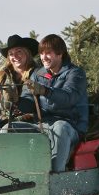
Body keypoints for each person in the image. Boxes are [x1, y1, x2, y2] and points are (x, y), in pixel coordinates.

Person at [24, 34, 89, 172]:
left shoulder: (75, 73)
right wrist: (15, 100)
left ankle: (55, 176)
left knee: (60, 128)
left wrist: (44, 90)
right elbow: (28, 101)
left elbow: (68, 97)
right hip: (42, 124)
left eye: (48, 53)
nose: (43, 57)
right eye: (41, 53)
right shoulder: (37, 74)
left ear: (60, 53)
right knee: (9, 127)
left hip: (70, 125)